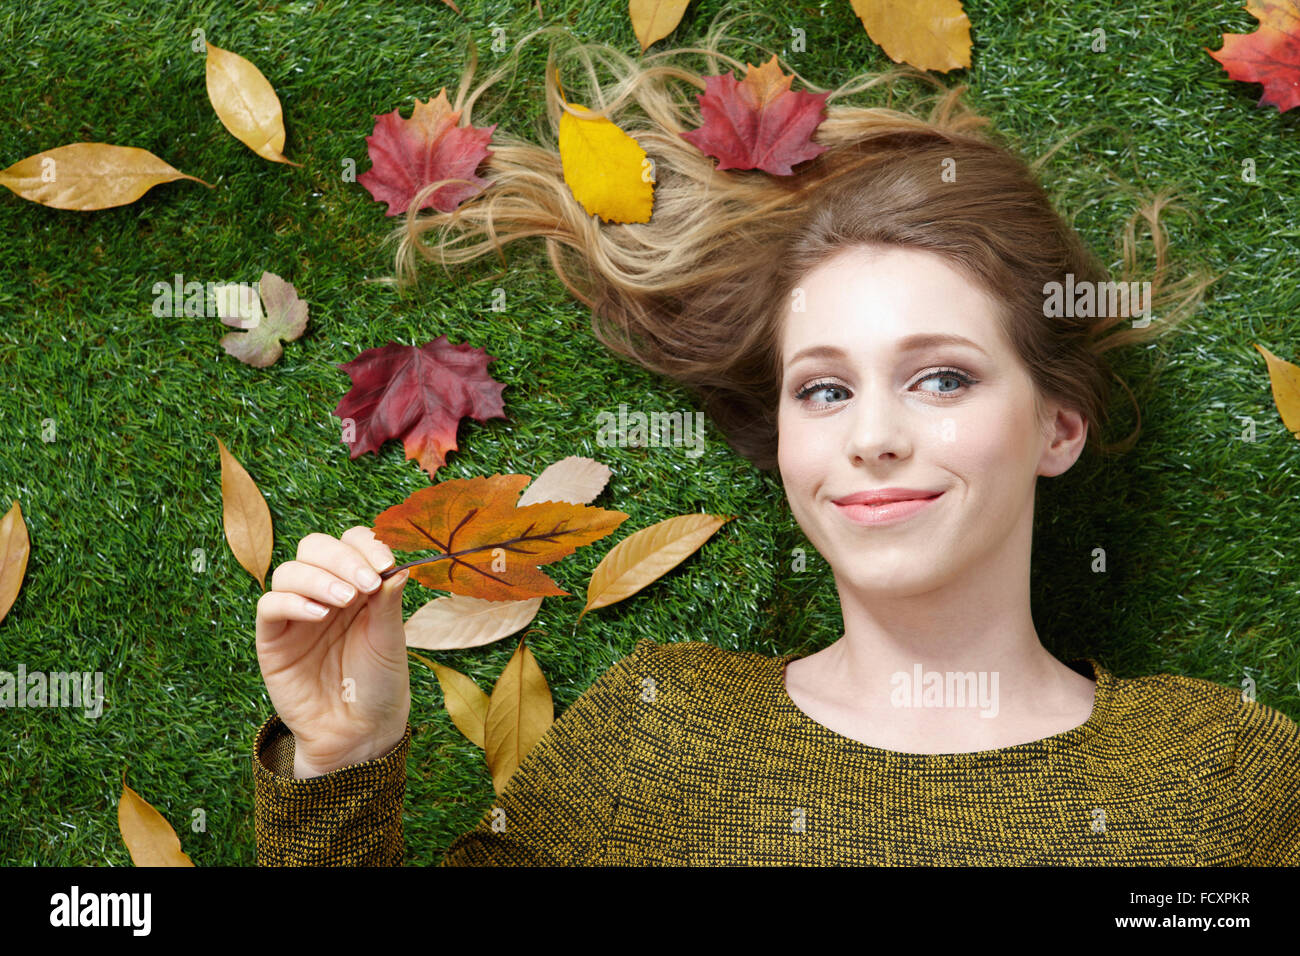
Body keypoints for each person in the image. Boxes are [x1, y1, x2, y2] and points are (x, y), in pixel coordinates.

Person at [251, 19, 1299, 865]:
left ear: (1056, 426)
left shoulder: (1222, 768)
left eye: (941, 376)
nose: (875, 437)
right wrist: (341, 763)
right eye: (826, 388)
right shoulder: (658, 735)